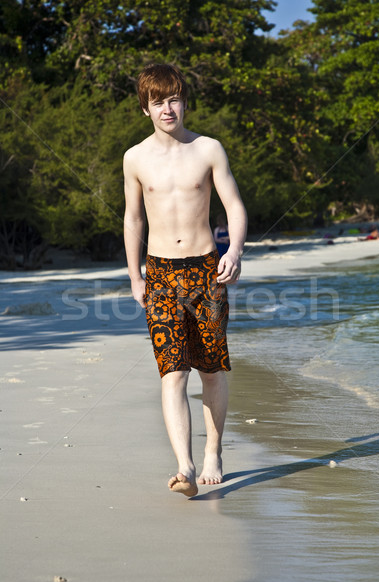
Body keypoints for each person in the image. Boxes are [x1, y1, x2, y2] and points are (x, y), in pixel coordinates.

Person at [123, 64, 247, 497]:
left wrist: (233, 251)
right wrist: (134, 274)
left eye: (173, 98)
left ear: (185, 101)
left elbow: (233, 205)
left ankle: (213, 451)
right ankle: (186, 466)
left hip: (205, 270)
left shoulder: (209, 149)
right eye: (157, 101)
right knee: (172, 372)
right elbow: (133, 217)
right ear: (145, 109)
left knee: (210, 371)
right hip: (159, 273)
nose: (167, 108)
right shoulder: (135, 158)